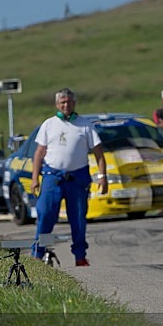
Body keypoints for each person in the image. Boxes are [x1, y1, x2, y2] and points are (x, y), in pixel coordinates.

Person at [30, 88, 108, 266]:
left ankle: (80, 256)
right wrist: (35, 178)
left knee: (78, 218)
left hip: (77, 179)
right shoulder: (49, 124)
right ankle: (39, 254)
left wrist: (103, 177)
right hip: (52, 177)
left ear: (75, 103)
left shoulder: (85, 125)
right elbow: (39, 153)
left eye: (69, 102)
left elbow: (99, 153)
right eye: (62, 102)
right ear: (57, 104)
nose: (66, 105)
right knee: (46, 215)